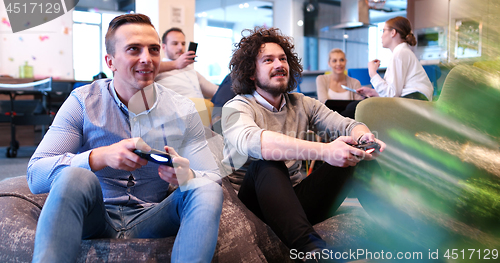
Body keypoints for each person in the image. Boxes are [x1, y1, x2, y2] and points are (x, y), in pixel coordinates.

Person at [27, 14, 223, 263]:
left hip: (154, 215)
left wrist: (188, 175)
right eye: (133, 49)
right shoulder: (82, 102)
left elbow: (213, 176)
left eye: (153, 50)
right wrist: (100, 156)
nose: (147, 59)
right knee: (73, 174)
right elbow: (35, 175)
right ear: (111, 61)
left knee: (205, 187)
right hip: (96, 216)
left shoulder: (182, 109)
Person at [221, 27, 386, 261]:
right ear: (250, 72)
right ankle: (313, 252)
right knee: (268, 164)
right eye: (268, 60)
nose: (279, 64)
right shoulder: (236, 107)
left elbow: (346, 125)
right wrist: (326, 151)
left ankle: (405, 232)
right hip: (251, 208)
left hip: (295, 202)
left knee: (357, 159)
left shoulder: (301, 103)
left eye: (283, 59)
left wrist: (363, 139)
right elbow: (257, 142)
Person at [357, 16, 433, 101]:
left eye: (383, 31)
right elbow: (394, 92)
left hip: (414, 100)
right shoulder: (402, 52)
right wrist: (373, 92)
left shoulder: (399, 53)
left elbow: (391, 95)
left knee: (356, 107)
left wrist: (372, 73)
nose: (381, 36)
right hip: (416, 99)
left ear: (393, 32)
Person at [155, 27, 218, 99]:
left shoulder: (190, 70)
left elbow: (215, 91)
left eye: (183, 43)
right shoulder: (158, 69)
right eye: (175, 43)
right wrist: (176, 64)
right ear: (163, 47)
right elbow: (150, 67)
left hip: (201, 108)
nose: (180, 47)